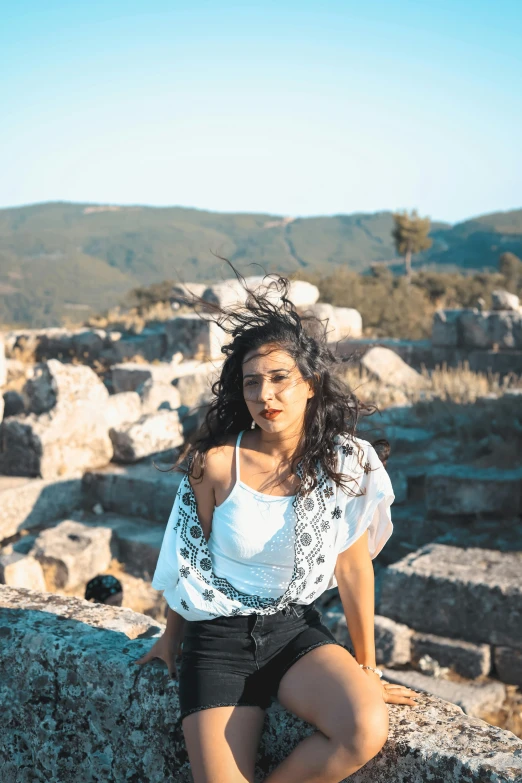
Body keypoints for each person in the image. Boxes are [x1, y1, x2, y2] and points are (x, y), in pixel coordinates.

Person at [135, 271, 417, 783]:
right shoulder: (216, 463)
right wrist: (169, 640)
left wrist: (366, 667)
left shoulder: (347, 462)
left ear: (310, 384)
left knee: (365, 727)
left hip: (294, 633)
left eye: (280, 377)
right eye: (252, 381)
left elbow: (353, 569)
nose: (265, 393)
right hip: (217, 641)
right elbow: (185, 559)